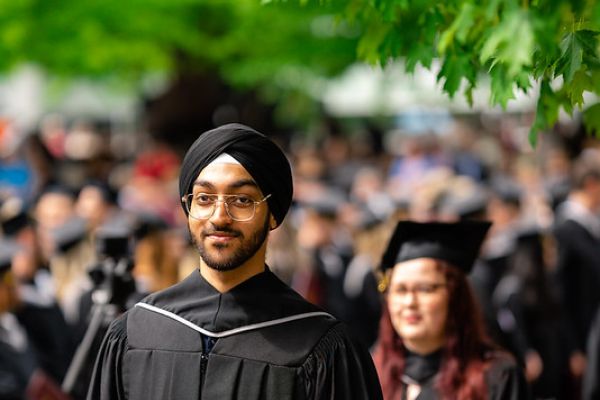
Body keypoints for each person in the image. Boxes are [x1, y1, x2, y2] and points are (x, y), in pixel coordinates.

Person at [87, 123, 382, 399]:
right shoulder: (135, 333)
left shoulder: (321, 345)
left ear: (274, 215)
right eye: (204, 198)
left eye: (242, 201)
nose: (219, 217)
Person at [373, 220, 530, 400]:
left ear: (454, 296)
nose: (410, 302)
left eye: (425, 289)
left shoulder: (496, 377)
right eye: (400, 290)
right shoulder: (372, 374)